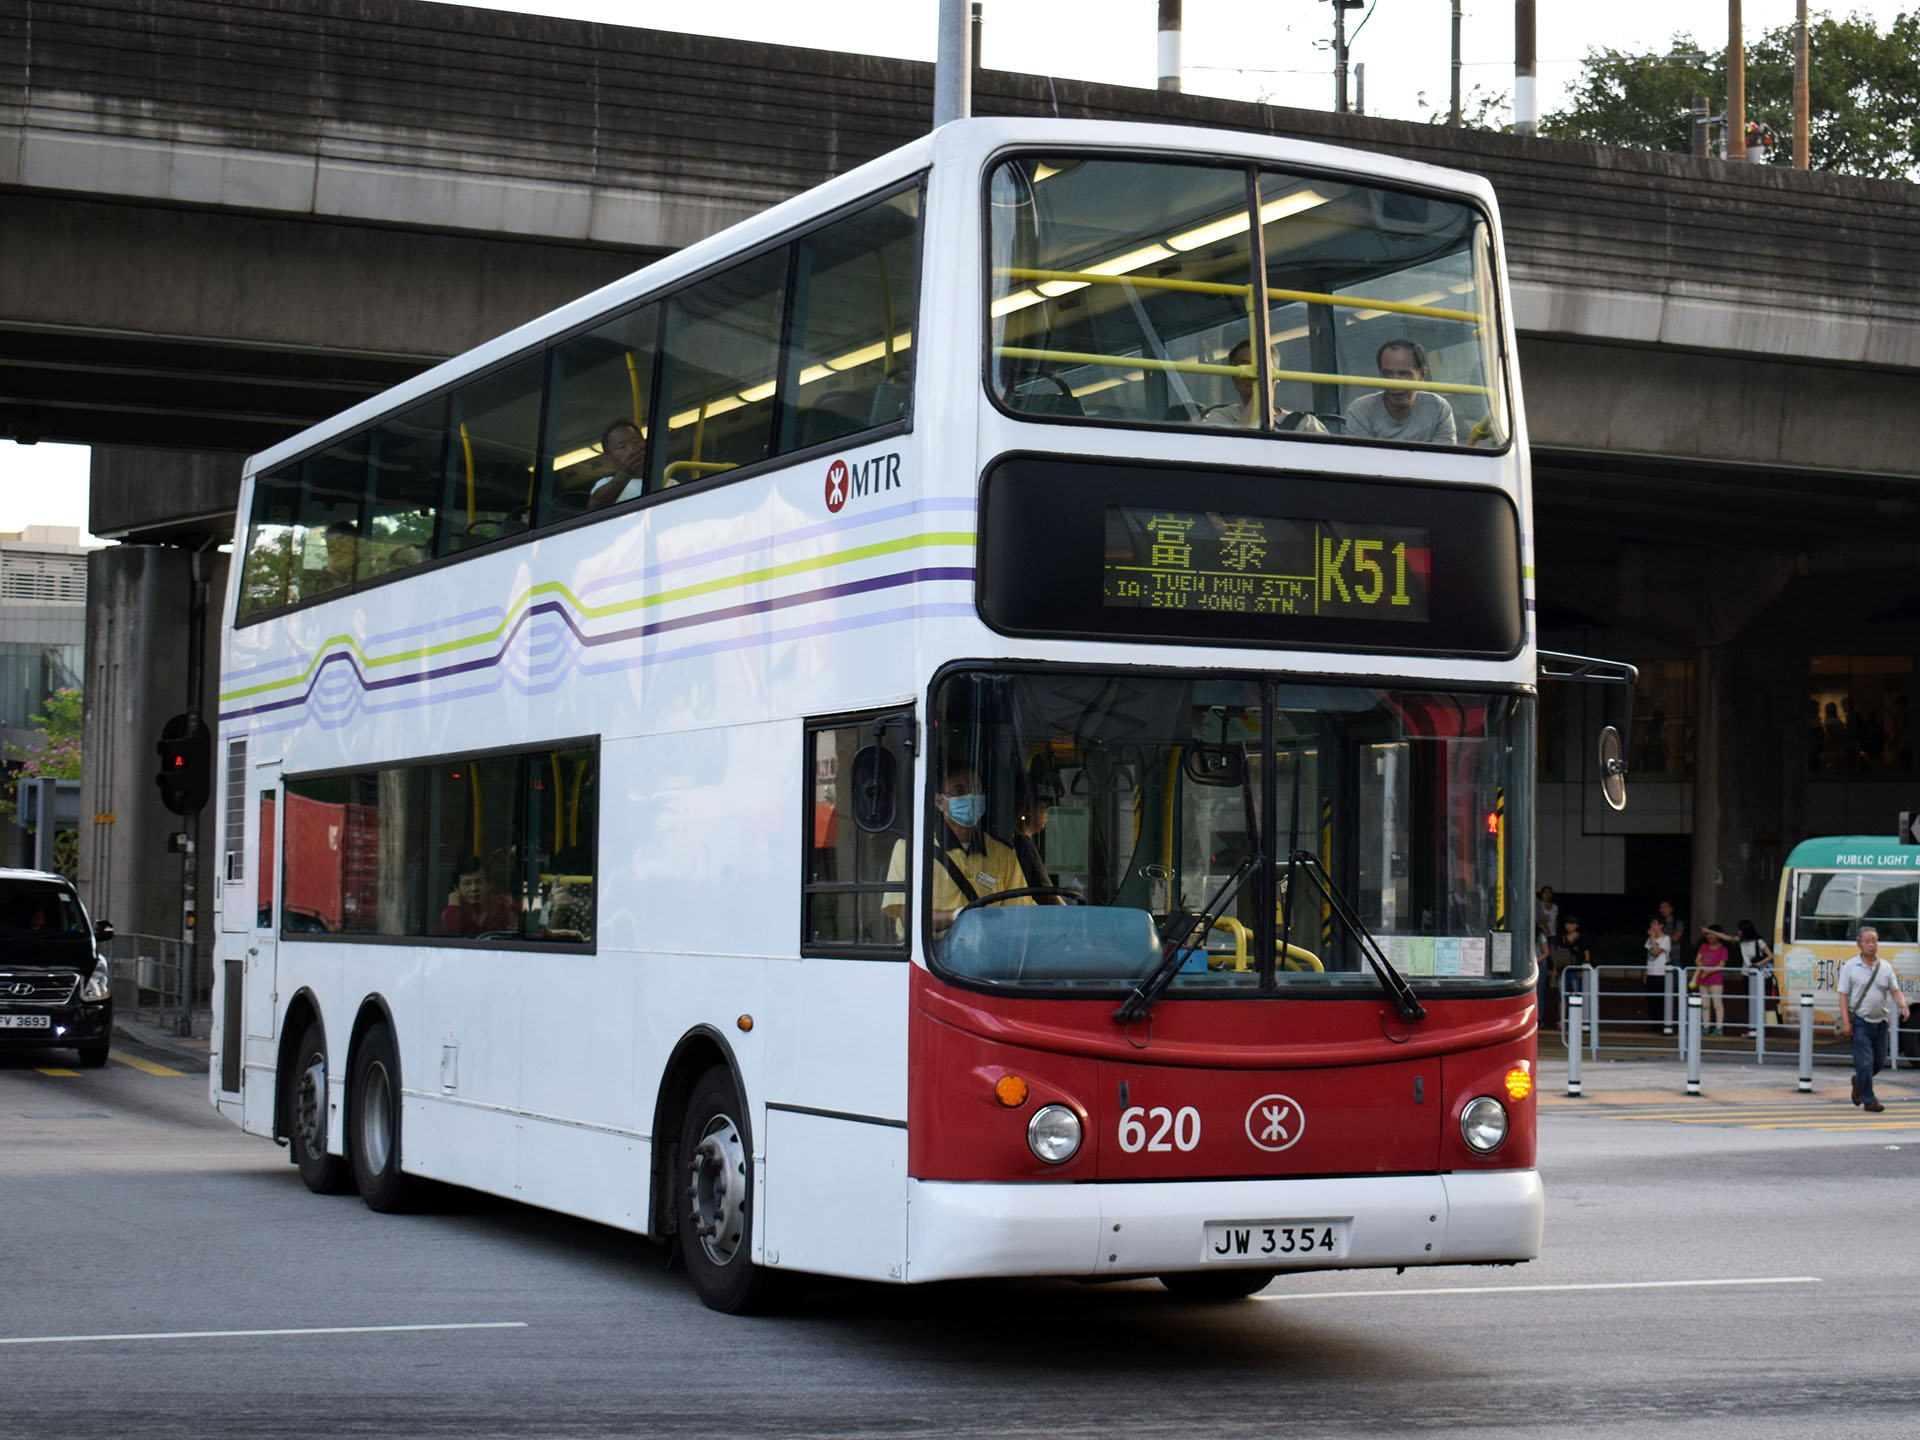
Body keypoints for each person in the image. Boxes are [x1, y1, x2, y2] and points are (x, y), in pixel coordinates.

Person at [885, 764, 1037, 937]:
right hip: (931, 953)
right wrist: (957, 916)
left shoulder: (1003, 854)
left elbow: (1021, 913)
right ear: (939, 802)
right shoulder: (912, 849)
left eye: (976, 790)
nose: (971, 798)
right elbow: (908, 917)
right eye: (960, 791)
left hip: (987, 951)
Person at [1837, 925, 1910, 1112]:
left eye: (1874, 941)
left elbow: (1895, 990)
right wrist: (1846, 1021)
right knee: (1865, 1062)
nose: (1871, 945)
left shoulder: (1885, 967)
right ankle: (1869, 1100)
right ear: (1859, 944)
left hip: (1880, 1022)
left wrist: (1903, 1006)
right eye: (1867, 941)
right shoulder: (1850, 967)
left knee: (1878, 1061)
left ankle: (1859, 1082)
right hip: (1860, 1021)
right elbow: (1843, 995)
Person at [1341, 340, 1458, 445]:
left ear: (1422, 374)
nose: (1395, 383)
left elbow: (1445, 458)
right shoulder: (1361, 410)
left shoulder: (1438, 408)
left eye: (1404, 374)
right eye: (1388, 374)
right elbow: (1360, 458)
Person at [1208, 340, 1326, 433]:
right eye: (1245, 367)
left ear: (1276, 376)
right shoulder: (1221, 416)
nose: (1254, 374)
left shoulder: (1306, 424)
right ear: (1234, 376)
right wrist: (1262, 390)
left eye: (1262, 367)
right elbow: (1234, 447)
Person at [440, 855, 519, 937]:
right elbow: (453, 941)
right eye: (467, 883)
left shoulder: (504, 906)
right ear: (457, 888)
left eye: (479, 882)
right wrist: (454, 909)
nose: (474, 888)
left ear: (489, 885)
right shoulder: (452, 913)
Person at [1729, 918, 1778, 1033]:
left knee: (1757, 999)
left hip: (1757, 973)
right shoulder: (1741, 941)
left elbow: (1771, 955)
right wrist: (1711, 932)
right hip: (1746, 973)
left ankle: (1757, 1026)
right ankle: (1752, 1026)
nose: (1738, 932)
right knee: (1749, 1000)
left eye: (1740, 930)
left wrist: (1759, 963)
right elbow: (1727, 937)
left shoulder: (1759, 941)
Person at [587, 419, 647, 510]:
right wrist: (625, 474)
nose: (632, 449)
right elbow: (595, 505)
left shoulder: (666, 475)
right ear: (609, 458)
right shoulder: (605, 484)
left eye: (635, 442)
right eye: (622, 447)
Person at [1692, 924, 1729, 1036]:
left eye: (1712, 933)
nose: (1709, 936)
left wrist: (1708, 972)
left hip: (1715, 980)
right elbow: (1697, 960)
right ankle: (1705, 1026)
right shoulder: (1703, 946)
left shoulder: (1723, 949)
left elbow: (1722, 964)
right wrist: (1703, 968)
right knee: (1705, 1004)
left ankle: (1719, 1027)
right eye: (1708, 934)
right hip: (1703, 979)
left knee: (1717, 1004)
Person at [1643, 914, 1672, 1029]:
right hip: (1651, 972)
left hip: (1661, 974)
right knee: (1651, 999)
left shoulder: (1666, 939)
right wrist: (1646, 972)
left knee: (1660, 1000)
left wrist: (1652, 938)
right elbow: (1648, 955)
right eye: (1652, 924)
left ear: (1661, 925)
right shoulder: (1650, 939)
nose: (1652, 926)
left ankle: (1662, 1024)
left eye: (1655, 924)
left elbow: (1656, 951)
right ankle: (1653, 1024)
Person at [1534, 886, 1559, 967]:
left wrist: (1555, 931)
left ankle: (1552, 971)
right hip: (1542, 933)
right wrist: (1546, 929)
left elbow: (1555, 920)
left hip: (1552, 934)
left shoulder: (1555, 907)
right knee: (1542, 952)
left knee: (1552, 954)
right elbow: (1541, 920)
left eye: (1549, 893)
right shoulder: (1539, 905)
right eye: (1545, 892)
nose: (1547, 895)